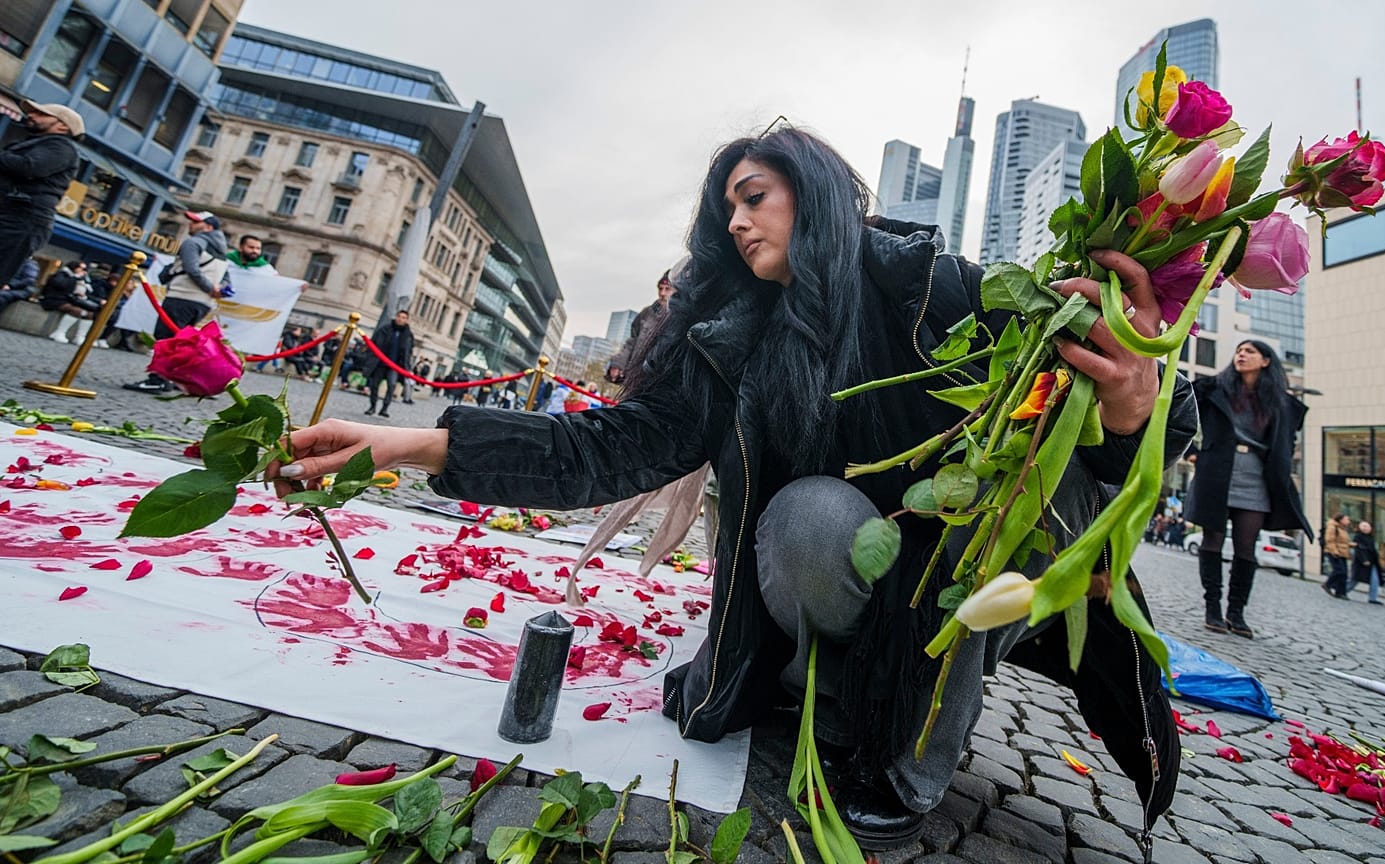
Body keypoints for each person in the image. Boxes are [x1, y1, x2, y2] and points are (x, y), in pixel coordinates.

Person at [271, 126, 1190, 850]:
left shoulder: (935, 286)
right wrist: (405, 444)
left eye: (755, 197)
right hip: (823, 557)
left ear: (816, 195)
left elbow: (1123, 432)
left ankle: (904, 768)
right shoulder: (731, 333)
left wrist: (1132, 399)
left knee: (968, 525)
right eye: (728, 211)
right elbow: (613, 447)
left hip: (972, 574)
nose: (739, 222)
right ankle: (828, 695)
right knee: (808, 519)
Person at [1186, 340, 1313, 637]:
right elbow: (1178, 410)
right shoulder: (1213, 388)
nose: (1241, 354)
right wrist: (1191, 450)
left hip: (1257, 476)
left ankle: (1237, 613)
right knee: (1212, 540)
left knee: (1246, 547)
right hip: (1217, 471)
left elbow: (1286, 441)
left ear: (1266, 361)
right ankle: (1213, 609)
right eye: (1239, 351)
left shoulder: (1279, 401)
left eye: (1250, 351)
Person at [124, 211, 229, 393]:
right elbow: (226, 278)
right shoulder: (222, 251)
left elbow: (191, 269)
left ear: (209, 227)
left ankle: (157, 379)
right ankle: (172, 378)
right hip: (202, 304)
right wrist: (215, 290)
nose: (190, 224)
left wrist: (208, 287)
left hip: (181, 296)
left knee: (165, 338)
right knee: (182, 342)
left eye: (196, 222)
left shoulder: (193, 242)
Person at [0, 102, 82, 290]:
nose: (32, 116)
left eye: (41, 114)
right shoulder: (33, 143)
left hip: (20, 219)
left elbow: (30, 167)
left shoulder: (62, 147)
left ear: (62, 126)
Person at [607, 264, 681, 384]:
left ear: (675, 290)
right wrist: (618, 364)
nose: (662, 293)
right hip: (635, 374)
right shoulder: (646, 313)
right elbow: (632, 342)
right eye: (660, 288)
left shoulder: (680, 317)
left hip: (659, 378)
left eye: (667, 289)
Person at [363, 309, 414, 418]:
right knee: (375, 385)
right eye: (399, 316)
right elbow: (374, 344)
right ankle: (372, 406)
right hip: (380, 363)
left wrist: (406, 366)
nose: (401, 319)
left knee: (391, 386)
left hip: (395, 366)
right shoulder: (385, 329)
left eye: (404, 317)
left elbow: (408, 351)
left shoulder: (408, 335)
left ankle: (384, 408)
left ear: (407, 320)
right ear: (396, 317)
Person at [39, 260, 103, 344]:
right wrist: (75, 278)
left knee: (90, 314)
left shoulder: (78, 278)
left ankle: (80, 336)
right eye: (82, 268)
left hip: (68, 300)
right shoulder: (62, 274)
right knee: (77, 311)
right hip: (53, 299)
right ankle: (60, 332)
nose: (83, 271)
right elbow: (61, 285)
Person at [1350, 520, 1383, 605]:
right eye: (1363, 526)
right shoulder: (1358, 537)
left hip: (1372, 562)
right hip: (1362, 562)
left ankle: (1373, 598)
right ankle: (1342, 590)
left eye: (1367, 526)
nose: (1365, 528)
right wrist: (1364, 560)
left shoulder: (1371, 538)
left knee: (1375, 580)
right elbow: (1359, 550)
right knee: (1355, 580)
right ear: (1360, 528)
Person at [1322, 512, 1353, 599]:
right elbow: (1329, 540)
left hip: (1343, 553)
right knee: (1339, 571)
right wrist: (1334, 551)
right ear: (1340, 519)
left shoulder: (1343, 529)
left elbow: (1343, 542)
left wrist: (1352, 545)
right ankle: (1327, 584)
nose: (1348, 521)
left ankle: (1340, 593)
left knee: (1344, 574)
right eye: (1347, 519)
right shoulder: (1332, 527)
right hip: (1334, 552)